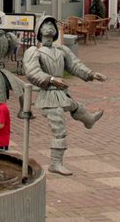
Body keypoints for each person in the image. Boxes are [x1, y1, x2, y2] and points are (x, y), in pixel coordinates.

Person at [23, 15, 107, 175]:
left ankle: (89, 120)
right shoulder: (34, 52)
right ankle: (56, 163)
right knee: (59, 129)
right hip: (48, 95)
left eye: (51, 24)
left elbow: (75, 65)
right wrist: (52, 80)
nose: (49, 26)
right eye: (45, 24)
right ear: (39, 30)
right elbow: (32, 72)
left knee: (76, 106)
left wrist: (91, 74)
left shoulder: (61, 50)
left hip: (61, 92)